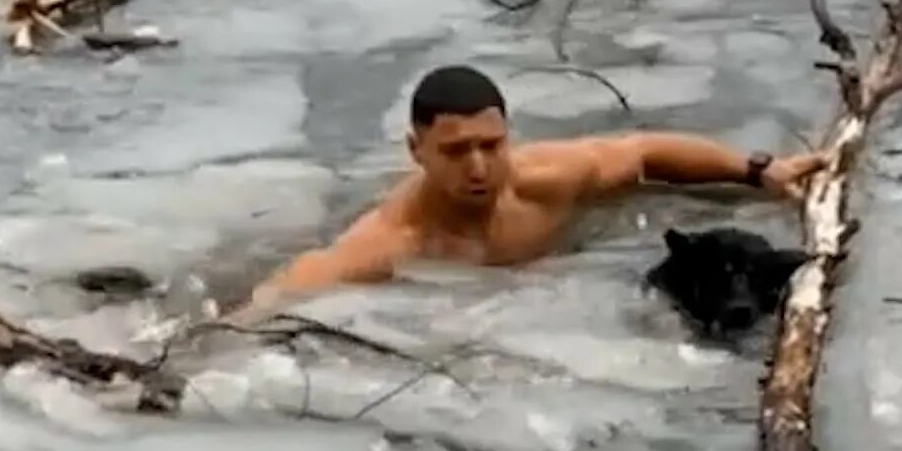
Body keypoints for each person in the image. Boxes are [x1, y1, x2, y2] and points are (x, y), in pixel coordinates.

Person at [228, 64, 827, 324]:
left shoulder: (545, 179)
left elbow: (645, 152)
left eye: (492, 144)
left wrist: (758, 170)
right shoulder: (390, 243)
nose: (481, 166)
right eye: (457, 151)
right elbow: (283, 294)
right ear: (417, 151)